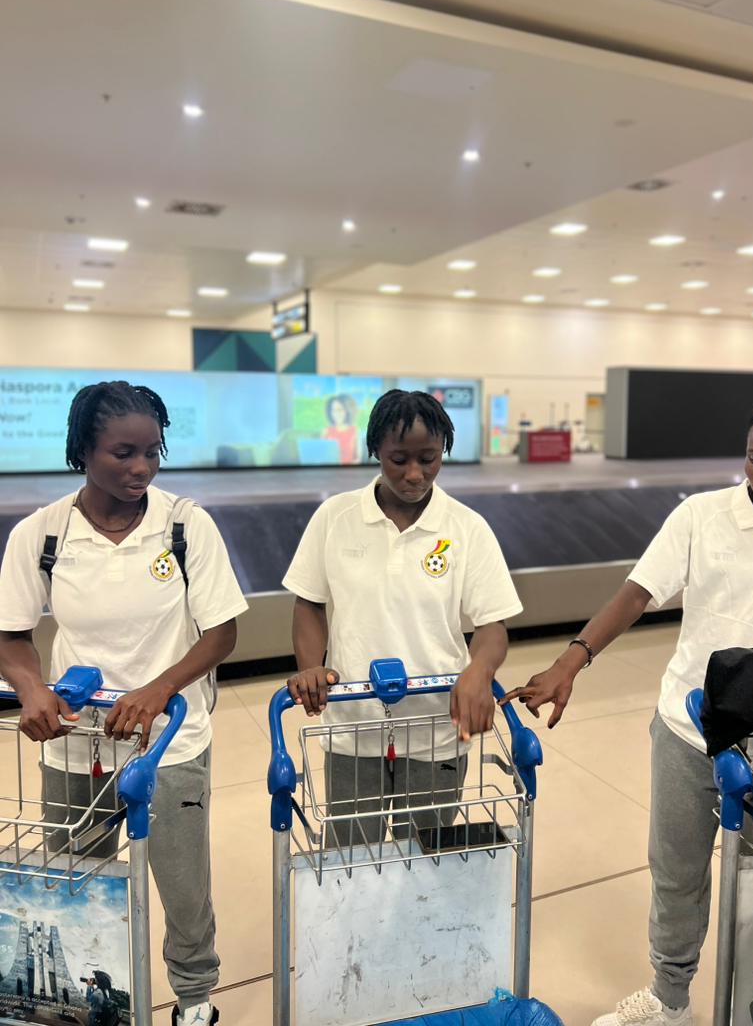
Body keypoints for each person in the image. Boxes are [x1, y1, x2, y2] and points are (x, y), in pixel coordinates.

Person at [500, 387, 753, 1026]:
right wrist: (570, 660)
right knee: (676, 875)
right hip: (688, 730)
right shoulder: (701, 516)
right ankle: (669, 1000)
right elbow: (636, 593)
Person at [0, 381, 248, 1026]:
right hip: (78, 744)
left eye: (153, 451)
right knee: (76, 883)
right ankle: (88, 1005)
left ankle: (194, 998)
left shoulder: (185, 524)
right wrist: (32, 689)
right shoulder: (43, 534)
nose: (141, 467)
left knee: (183, 886)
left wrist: (160, 688)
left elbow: (221, 630)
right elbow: (11, 632)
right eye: (123, 452)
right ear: (82, 449)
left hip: (170, 744)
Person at [283, 388, 522, 847]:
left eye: (429, 459)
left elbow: (492, 624)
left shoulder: (466, 527)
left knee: (426, 859)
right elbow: (309, 602)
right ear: (375, 451)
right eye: (399, 460)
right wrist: (310, 665)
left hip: (436, 728)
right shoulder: (335, 517)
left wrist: (479, 670)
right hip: (355, 726)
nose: (415, 474)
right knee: (352, 858)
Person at [322, 393, 361, 465]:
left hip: (349, 471)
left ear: (347, 411)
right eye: (333, 410)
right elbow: (322, 456)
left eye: (340, 410)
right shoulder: (326, 431)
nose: (336, 413)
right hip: (330, 470)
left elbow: (358, 459)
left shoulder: (354, 431)